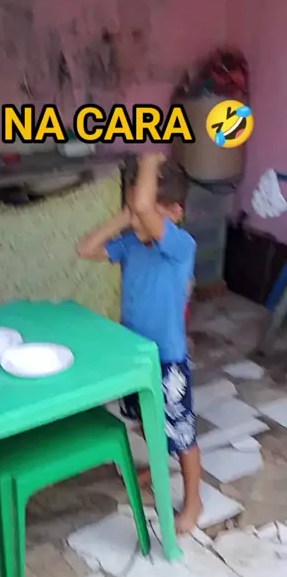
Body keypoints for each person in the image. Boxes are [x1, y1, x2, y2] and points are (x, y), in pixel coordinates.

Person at [77, 152, 202, 533]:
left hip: (167, 359)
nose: (138, 216)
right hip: (135, 354)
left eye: (144, 210)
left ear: (175, 213)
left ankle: (193, 501)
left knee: (182, 433)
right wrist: (125, 217)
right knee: (147, 421)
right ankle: (159, 465)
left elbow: (148, 207)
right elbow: (86, 248)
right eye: (133, 208)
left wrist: (149, 162)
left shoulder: (180, 246)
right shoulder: (131, 243)